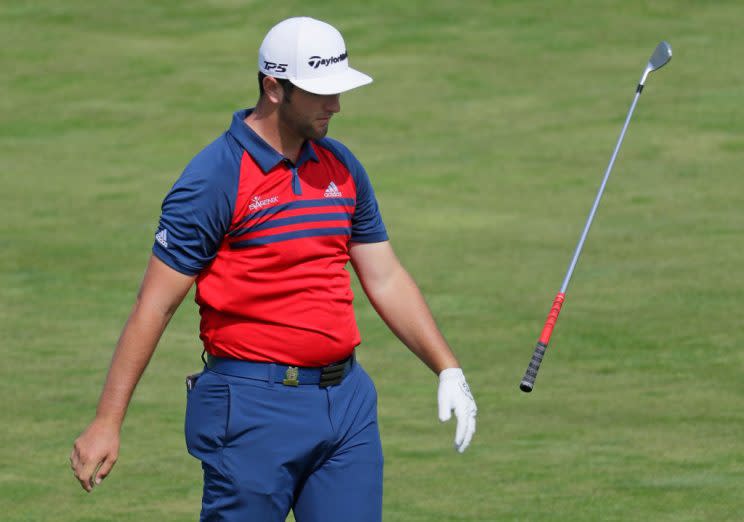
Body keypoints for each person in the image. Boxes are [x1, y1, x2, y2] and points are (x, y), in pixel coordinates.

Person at [70, 16, 477, 521]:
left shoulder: (341, 167)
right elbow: (154, 304)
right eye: (320, 93)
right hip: (250, 410)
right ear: (274, 88)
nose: (336, 106)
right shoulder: (215, 179)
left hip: (346, 406)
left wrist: (447, 367)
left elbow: (386, 276)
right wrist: (108, 420)